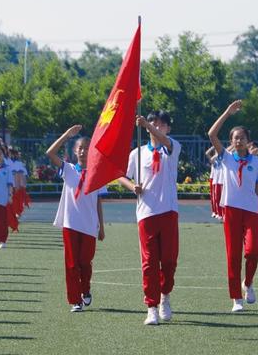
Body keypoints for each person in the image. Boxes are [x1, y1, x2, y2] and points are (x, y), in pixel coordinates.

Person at [119, 110, 181, 325]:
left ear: (168, 128)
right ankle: (152, 306)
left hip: (169, 211)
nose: (158, 126)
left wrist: (147, 125)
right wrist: (131, 186)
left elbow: (162, 139)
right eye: (155, 122)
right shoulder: (137, 153)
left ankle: (165, 295)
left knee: (169, 261)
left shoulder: (171, 147)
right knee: (149, 263)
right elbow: (122, 176)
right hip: (146, 213)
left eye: (162, 124)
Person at [207, 100, 258, 313]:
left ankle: (248, 283)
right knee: (233, 255)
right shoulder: (226, 158)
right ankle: (236, 299)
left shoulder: (257, 162)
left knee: (253, 250)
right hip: (231, 210)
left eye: (242, 137)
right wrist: (227, 113)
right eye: (235, 138)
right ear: (231, 141)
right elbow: (212, 135)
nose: (238, 140)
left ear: (248, 141)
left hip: (251, 211)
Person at [48, 125, 106, 313]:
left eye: (87, 148)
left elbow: (98, 201)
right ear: (75, 151)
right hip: (70, 223)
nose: (83, 151)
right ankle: (75, 300)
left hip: (89, 225)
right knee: (71, 264)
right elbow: (50, 153)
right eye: (80, 148)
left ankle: (86, 289)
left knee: (85, 263)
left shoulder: (97, 173)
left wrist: (101, 227)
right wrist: (66, 134)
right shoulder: (69, 169)